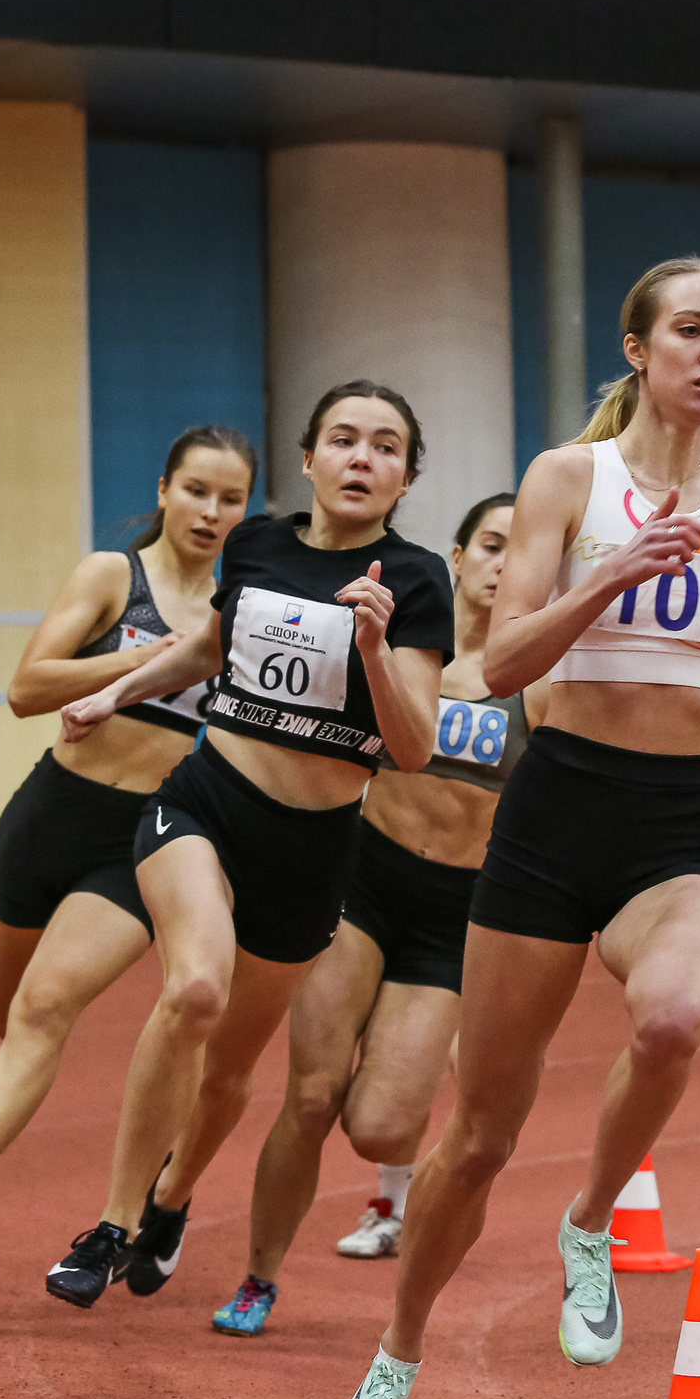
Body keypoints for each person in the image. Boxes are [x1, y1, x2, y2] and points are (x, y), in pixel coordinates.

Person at [330, 258, 700, 1399]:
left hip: (683, 816)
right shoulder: (568, 479)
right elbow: (494, 670)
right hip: (556, 814)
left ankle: (591, 1220)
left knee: (669, 1024)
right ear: (638, 348)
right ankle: (395, 1355)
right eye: (691, 332)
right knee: (480, 1135)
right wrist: (608, 576)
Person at [40, 381, 455, 1314]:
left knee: (229, 1068)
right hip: (206, 802)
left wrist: (378, 646)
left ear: (406, 476)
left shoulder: (418, 579)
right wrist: (114, 692)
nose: (362, 457)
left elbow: (416, 746)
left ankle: (171, 1200)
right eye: (343, 439)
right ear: (308, 458)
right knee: (193, 987)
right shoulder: (260, 542)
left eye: (385, 447)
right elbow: (207, 650)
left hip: (311, 850)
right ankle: (109, 1223)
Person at [0, 425, 256, 1251]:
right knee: (5, 1013)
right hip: (50, 816)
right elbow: (27, 687)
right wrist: (155, 659)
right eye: (196, 490)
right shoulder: (110, 576)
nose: (210, 511)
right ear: (164, 490)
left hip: (137, 842)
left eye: (230, 499)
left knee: (45, 1006)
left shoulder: (237, 611)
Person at [211, 491, 544, 1338]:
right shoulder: (406, 642)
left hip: (455, 914)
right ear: (459, 558)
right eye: (491, 544)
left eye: (522, 547)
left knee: (382, 1122)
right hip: (363, 883)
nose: (506, 562)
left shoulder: (536, 679)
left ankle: (393, 1186)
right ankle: (258, 1277)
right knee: (313, 1095)